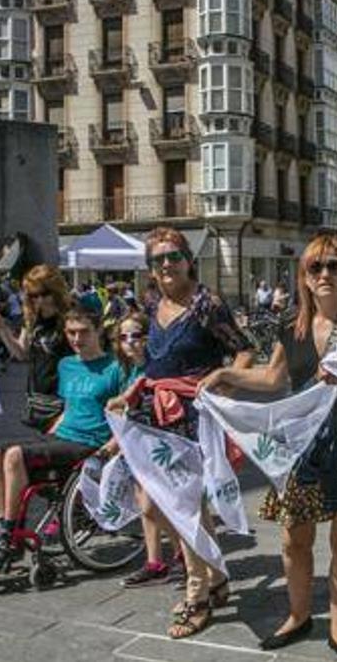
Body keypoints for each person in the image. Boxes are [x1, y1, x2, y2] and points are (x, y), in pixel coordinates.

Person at [203, 233, 337, 661]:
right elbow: (272, 380)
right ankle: (299, 615)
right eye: (315, 267)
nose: (324, 274)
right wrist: (226, 376)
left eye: (334, 266)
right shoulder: (292, 326)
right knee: (294, 540)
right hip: (301, 447)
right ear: (303, 276)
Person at [109, 227, 254, 639]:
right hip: (158, 415)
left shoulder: (206, 303)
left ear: (189, 259)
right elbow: (154, 365)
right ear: (150, 269)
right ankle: (215, 576)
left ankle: (197, 595)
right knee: (169, 504)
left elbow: (243, 349)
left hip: (194, 416)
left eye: (173, 256)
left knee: (183, 505)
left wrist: (225, 382)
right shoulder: (153, 303)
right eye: (158, 260)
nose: (167, 265)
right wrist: (130, 393)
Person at [0, 307, 122, 570]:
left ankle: (7, 535)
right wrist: (50, 434)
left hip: (91, 441)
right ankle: (2, 528)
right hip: (63, 435)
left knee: (16, 455)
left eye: (84, 332)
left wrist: (111, 447)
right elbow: (67, 407)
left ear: (99, 331)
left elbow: (122, 417)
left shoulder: (114, 368)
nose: (77, 339)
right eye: (71, 333)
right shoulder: (66, 365)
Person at [110, 311, 182, 589]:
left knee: (155, 505)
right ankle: (155, 561)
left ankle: (183, 554)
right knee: (146, 507)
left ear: (149, 338)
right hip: (135, 445)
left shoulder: (156, 367)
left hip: (159, 444)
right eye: (124, 337)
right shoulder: (123, 370)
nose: (130, 342)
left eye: (136, 336)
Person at [0, 265, 75, 419]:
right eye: (33, 295)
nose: (39, 300)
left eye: (44, 294)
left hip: (66, 397)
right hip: (39, 399)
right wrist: (3, 329)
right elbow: (22, 353)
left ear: (56, 291)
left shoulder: (70, 318)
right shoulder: (32, 319)